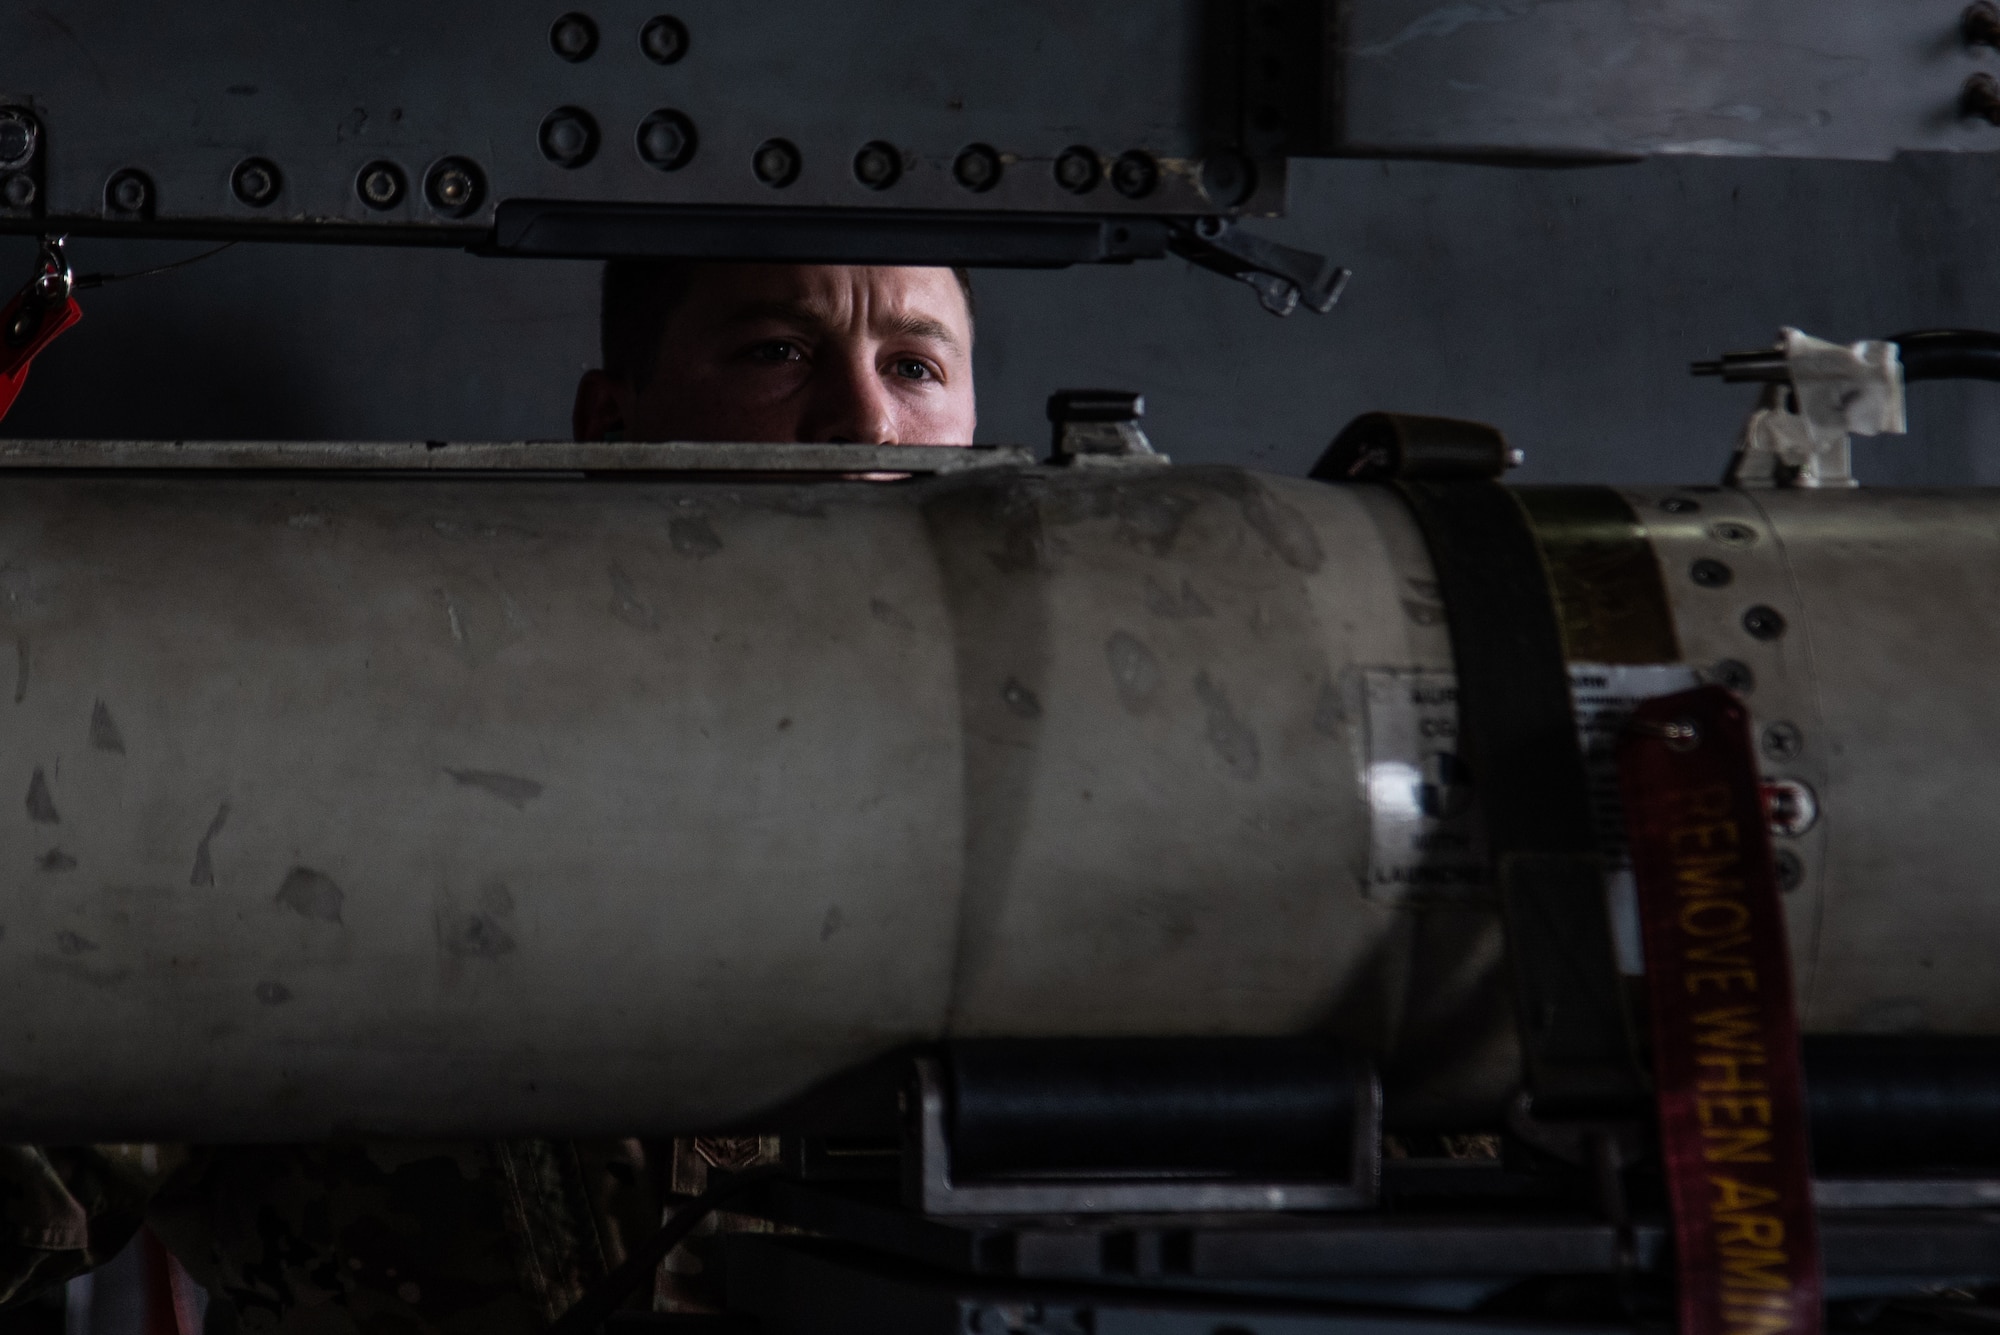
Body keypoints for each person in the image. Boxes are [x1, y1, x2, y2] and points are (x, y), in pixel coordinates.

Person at [0, 261, 980, 1334]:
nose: (864, 420)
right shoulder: (324, 782)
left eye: (914, 365)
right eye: (777, 352)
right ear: (610, 423)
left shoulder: (1055, 813)